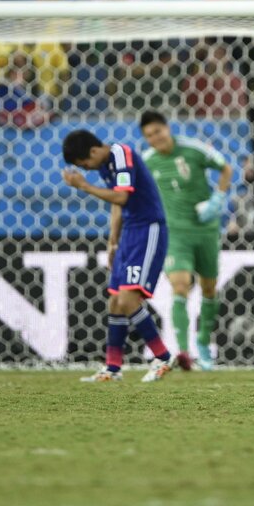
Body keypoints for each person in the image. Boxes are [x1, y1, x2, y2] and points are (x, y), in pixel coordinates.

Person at [61, 130, 175, 383]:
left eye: (85, 164)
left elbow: (122, 195)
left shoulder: (121, 154)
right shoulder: (105, 166)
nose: (87, 169)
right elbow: (119, 203)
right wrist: (113, 242)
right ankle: (113, 367)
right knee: (115, 302)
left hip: (148, 228)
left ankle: (162, 356)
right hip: (130, 232)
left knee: (127, 298)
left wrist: (83, 186)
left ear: (93, 151)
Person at [139, 111, 233, 372]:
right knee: (180, 286)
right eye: (148, 136)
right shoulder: (147, 162)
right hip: (175, 233)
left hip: (205, 229)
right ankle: (182, 352)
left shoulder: (193, 149)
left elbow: (225, 168)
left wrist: (217, 199)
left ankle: (203, 344)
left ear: (167, 129)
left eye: (157, 131)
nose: (155, 138)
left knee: (209, 288)